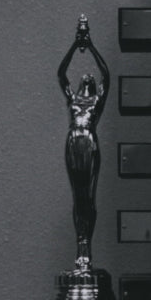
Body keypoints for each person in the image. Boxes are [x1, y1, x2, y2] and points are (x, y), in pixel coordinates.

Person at [57, 15, 110, 270]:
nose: (87, 76)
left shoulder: (97, 102)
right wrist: (74, 44)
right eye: (84, 77)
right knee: (77, 197)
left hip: (89, 141)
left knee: (88, 196)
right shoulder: (73, 100)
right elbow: (61, 73)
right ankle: (80, 243)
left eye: (91, 77)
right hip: (73, 141)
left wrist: (90, 46)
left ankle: (86, 246)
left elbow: (107, 75)